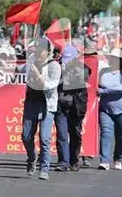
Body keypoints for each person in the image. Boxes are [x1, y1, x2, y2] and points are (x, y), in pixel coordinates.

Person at [22, 37, 61, 180]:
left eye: (41, 50)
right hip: (31, 101)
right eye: (36, 50)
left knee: (45, 138)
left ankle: (44, 169)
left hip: (47, 104)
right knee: (26, 136)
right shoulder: (31, 59)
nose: (38, 53)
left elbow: (49, 85)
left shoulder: (54, 66)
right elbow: (25, 77)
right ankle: (32, 157)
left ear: (48, 51)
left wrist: (38, 75)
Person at [98, 48, 122, 170]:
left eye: (115, 59)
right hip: (105, 109)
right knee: (105, 133)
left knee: (121, 136)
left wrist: (103, 91)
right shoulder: (103, 72)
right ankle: (104, 160)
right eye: (111, 58)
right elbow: (97, 84)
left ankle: (117, 158)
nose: (112, 61)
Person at [56, 44, 90, 172]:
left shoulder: (83, 69)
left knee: (75, 134)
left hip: (76, 107)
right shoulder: (57, 67)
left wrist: (69, 72)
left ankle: (74, 160)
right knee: (62, 134)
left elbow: (80, 81)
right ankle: (62, 162)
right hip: (60, 106)